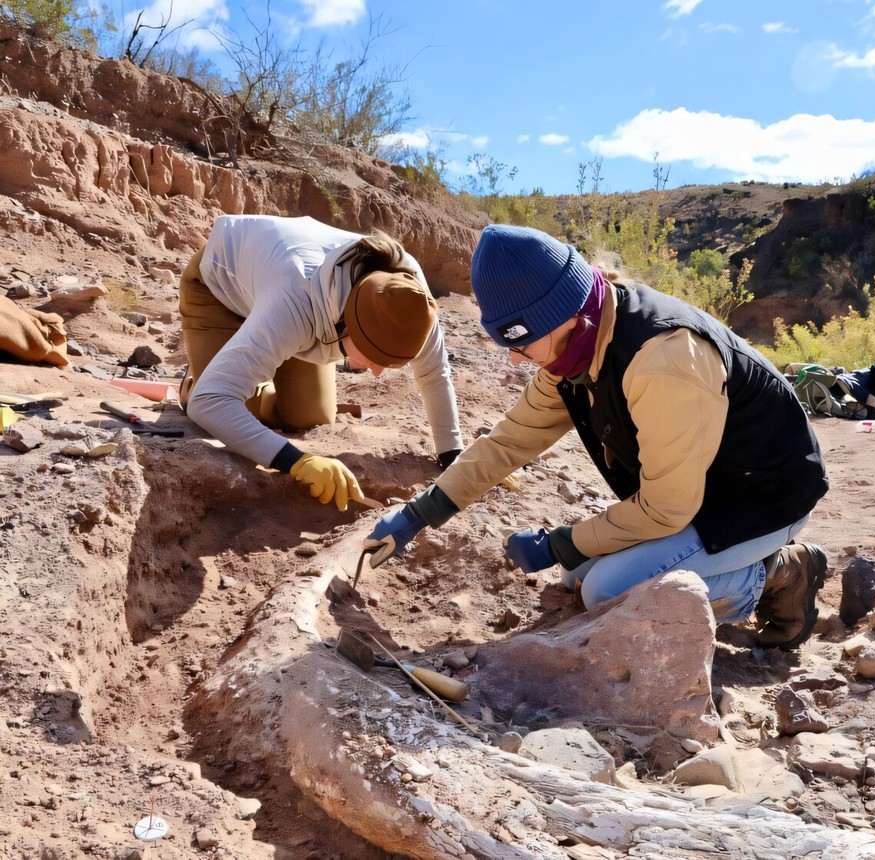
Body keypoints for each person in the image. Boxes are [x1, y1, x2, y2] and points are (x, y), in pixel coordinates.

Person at [367, 224, 830, 650]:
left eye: (520, 343)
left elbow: (666, 509)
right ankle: (739, 568)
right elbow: (510, 441)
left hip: (766, 497)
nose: (514, 360)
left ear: (558, 317)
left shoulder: (662, 359)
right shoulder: (576, 345)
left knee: (607, 590)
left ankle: (778, 575)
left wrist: (556, 543)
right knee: (580, 574)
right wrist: (417, 514)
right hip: (701, 489)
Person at [178, 214, 463, 510]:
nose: (377, 373)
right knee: (224, 409)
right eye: (374, 357)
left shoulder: (410, 302)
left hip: (288, 309)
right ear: (348, 325)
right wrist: (296, 462)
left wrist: (453, 454)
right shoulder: (294, 299)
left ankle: (251, 358)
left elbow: (434, 373)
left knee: (309, 416)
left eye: (389, 364)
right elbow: (211, 401)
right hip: (220, 289)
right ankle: (197, 378)